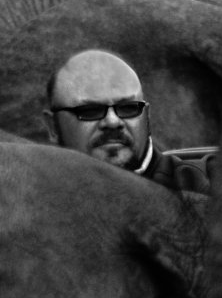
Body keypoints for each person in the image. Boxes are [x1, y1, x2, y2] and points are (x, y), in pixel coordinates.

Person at [42, 49, 213, 193]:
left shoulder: (206, 186)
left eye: (128, 108)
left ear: (146, 116)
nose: (112, 121)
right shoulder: (33, 201)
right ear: (53, 127)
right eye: (90, 111)